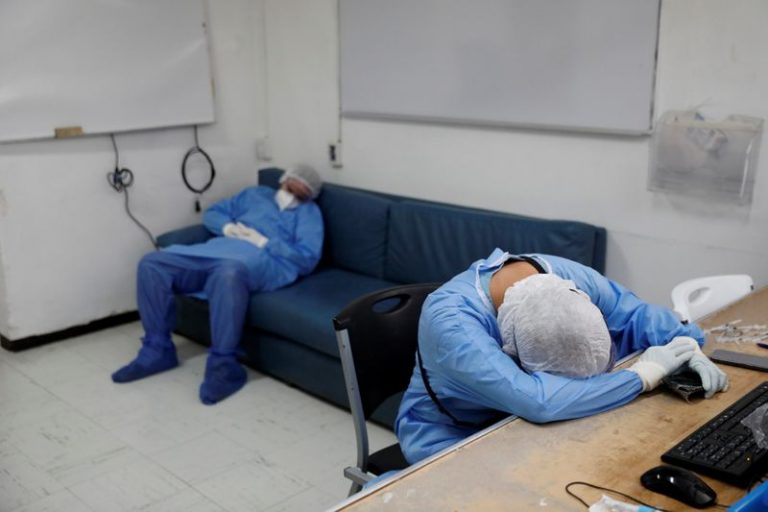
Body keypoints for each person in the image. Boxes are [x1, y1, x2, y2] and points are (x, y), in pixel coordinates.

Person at [396, 249, 729, 464]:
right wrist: (641, 376)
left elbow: (638, 315)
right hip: (455, 435)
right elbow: (538, 401)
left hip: (540, 416)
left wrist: (686, 344)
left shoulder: (565, 276)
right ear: (510, 349)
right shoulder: (452, 323)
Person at [112, 165, 324, 405]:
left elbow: (306, 259)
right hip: (219, 249)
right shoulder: (255, 195)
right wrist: (228, 228)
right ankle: (157, 350)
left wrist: (265, 242)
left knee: (228, 273)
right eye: (289, 189)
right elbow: (214, 212)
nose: (291, 197)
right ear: (282, 181)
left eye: (300, 195)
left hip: (266, 261)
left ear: (309, 197)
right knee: (152, 264)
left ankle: (223, 366)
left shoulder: (309, 215)